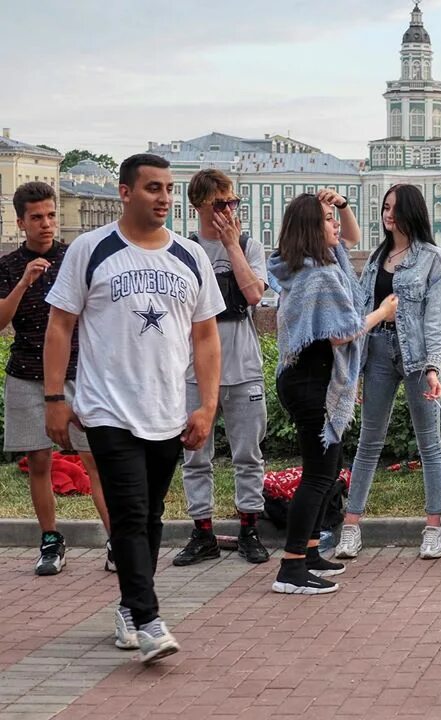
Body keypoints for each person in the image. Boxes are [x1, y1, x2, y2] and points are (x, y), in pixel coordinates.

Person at [44, 153, 224, 663]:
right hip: (106, 409)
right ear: (125, 193)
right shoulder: (91, 250)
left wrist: (206, 406)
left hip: (167, 409)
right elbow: (60, 325)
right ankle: (148, 620)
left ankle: (128, 605)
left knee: (150, 517)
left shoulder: (189, 256)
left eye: (168, 188)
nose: (163, 197)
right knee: (128, 513)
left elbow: (207, 337)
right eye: (152, 188)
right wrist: (55, 398)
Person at [267, 193, 397, 594]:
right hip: (311, 382)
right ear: (310, 227)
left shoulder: (306, 266)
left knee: (324, 470)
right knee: (318, 476)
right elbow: (343, 333)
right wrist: (381, 313)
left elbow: (351, 238)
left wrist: (340, 205)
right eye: (327, 220)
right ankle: (290, 568)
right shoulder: (319, 276)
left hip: (308, 378)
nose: (336, 226)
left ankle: (307, 552)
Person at [335, 184, 441, 561]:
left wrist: (434, 367)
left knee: (429, 443)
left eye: (396, 208)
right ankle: (351, 527)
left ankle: (433, 528)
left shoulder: (433, 259)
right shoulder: (376, 258)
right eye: (386, 207)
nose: (389, 214)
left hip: (417, 359)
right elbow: (362, 310)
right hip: (377, 354)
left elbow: (438, 316)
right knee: (369, 441)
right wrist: (354, 370)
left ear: (412, 212)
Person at [0, 182, 111, 575]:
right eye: (37, 217)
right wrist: (23, 282)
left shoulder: (76, 257)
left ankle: (115, 540)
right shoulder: (9, 265)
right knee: (39, 461)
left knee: (95, 459)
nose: (47, 224)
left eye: (51, 215)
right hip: (27, 374)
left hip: (82, 373)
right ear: (21, 222)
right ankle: (50, 539)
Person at [174, 169, 270, 567]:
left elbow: (252, 295)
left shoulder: (249, 245)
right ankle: (203, 532)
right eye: (219, 204)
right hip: (195, 368)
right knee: (196, 454)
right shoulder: (184, 250)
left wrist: (233, 246)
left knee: (249, 453)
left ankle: (250, 528)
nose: (228, 211)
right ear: (198, 206)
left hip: (243, 364)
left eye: (233, 203)